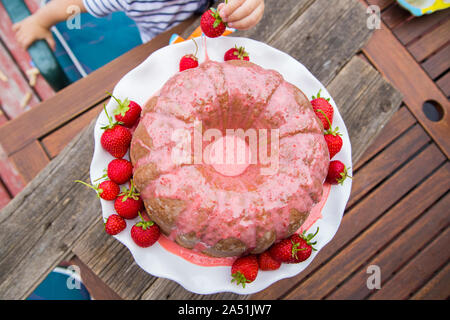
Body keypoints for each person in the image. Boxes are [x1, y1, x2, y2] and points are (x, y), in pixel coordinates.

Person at [13, 0, 265, 50]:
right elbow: (72, 5)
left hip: (211, 22)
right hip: (160, 42)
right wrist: (39, 21)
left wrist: (248, 5)